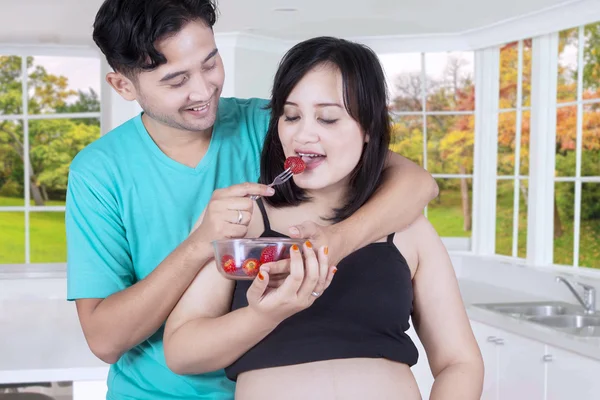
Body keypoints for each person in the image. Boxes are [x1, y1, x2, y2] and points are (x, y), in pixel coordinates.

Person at [65, 1, 438, 399]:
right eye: (176, 81)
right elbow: (105, 340)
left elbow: (416, 183)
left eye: (210, 63)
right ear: (123, 85)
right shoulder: (99, 172)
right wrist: (199, 245)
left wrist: (337, 243)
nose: (203, 90)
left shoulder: (272, 126)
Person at [163, 36, 484, 400]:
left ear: (369, 129)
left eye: (328, 117)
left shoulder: (408, 228)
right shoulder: (242, 219)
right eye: (291, 116)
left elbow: (459, 362)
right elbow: (181, 351)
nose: (303, 134)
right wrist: (266, 315)